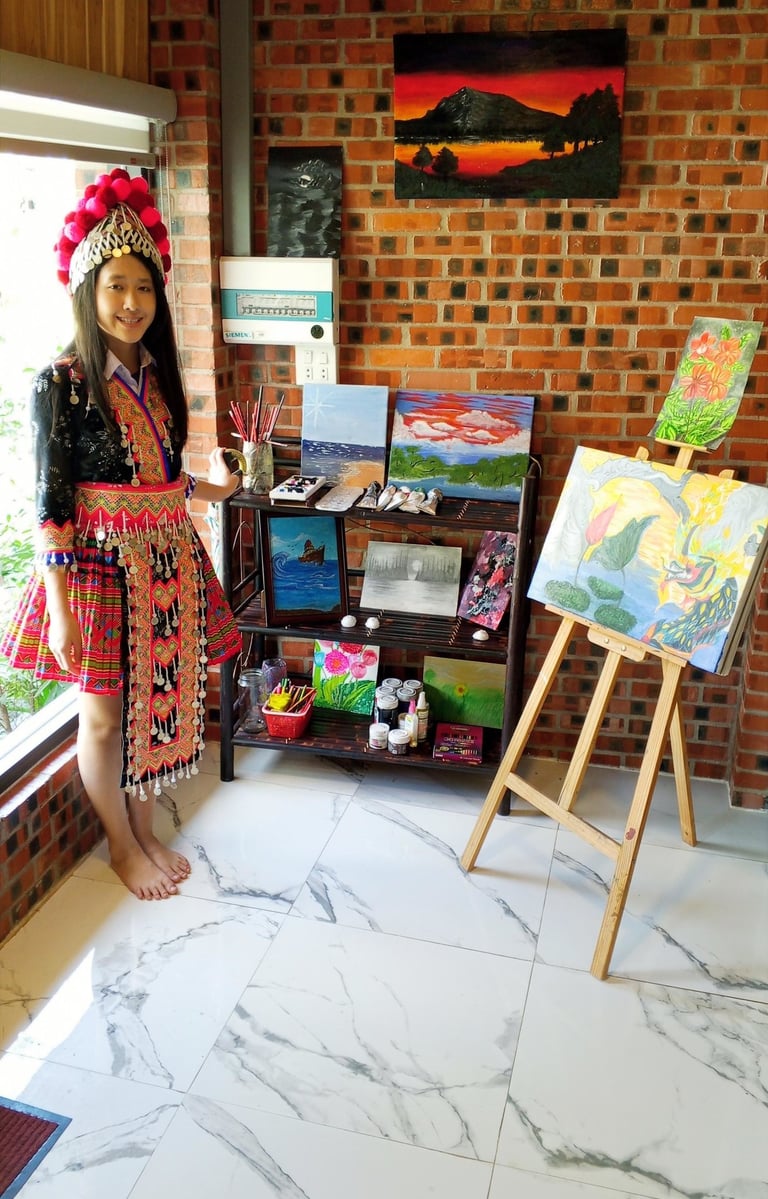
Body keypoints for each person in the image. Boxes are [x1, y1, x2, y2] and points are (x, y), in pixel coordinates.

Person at [0, 168, 242, 901]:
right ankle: (119, 844)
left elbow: (164, 482)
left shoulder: (158, 378)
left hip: (168, 561)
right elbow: (51, 504)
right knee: (105, 720)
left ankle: (145, 830)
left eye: (143, 287)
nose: (132, 303)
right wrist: (62, 608)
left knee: (156, 706)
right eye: (116, 287)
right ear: (88, 290)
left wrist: (218, 486)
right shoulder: (61, 383)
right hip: (99, 570)